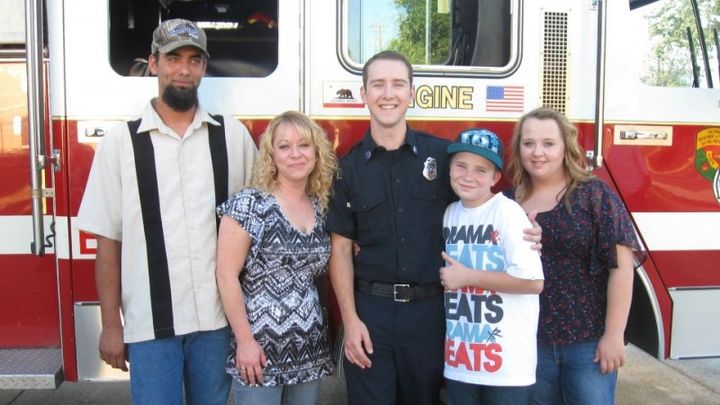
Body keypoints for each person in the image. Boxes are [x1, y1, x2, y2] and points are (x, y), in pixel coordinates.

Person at [75, 19, 258, 405]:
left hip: (216, 323)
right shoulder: (121, 143)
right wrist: (111, 324)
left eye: (194, 60)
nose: (184, 69)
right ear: (154, 63)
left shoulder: (233, 137)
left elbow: (263, 219)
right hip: (150, 326)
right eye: (173, 58)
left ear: (204, 67)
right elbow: (108, 242)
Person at [325, 50, 453, 405]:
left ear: (412, 93)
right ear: (363, 94)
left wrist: (520, 222)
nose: (388, 94)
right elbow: (340, 250)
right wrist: (350, 320)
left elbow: (481, 205)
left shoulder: (443, 158)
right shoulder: (346, 169)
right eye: (378, 84)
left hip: (428, 313)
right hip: (371, 313)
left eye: (398, 84)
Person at [506, 107, 638, 404]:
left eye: (548, 143)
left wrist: (614, 335)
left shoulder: (594, 195)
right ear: (519, 148)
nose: (537, 152)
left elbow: (621, 268)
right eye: (528, 143)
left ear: (566, 147)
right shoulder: (507, 203)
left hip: (587, 343)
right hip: (530, 344)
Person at [215, 111, 337, 405]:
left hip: (308, 347)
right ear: (271, 155)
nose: (295, 154)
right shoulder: (249, 205)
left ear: (317, 152)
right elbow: (225, 275)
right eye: (284, 146)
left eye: (304, 145)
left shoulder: (321, 207)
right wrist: (245, 341)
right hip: (259, 349)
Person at [439, 128, 544, 404]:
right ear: (450, 169)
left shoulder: (507, 212)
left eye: (481, 170)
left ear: (496, 178)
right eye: (461, 166)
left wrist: (468, 277)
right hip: (461, 362)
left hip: (506, 368)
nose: (468, 176)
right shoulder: (449, 214)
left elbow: (534, 282)